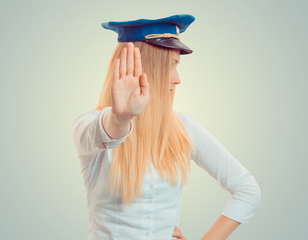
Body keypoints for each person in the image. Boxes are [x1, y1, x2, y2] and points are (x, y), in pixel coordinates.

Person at [71, 14, 261, 240]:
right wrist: (122, 118)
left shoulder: (184, 129)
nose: (177, 79)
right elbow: (108, 132)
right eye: (172, 66)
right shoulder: (87, 125)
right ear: (149, 69)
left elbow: (247, 190)